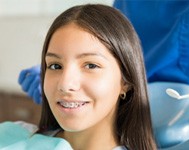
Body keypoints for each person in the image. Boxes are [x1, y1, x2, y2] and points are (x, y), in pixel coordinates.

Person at [1, 4, 157, 150]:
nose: (65, 84)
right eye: (55, 66)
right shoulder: (12, 135)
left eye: (91, 65)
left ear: (125, 81)